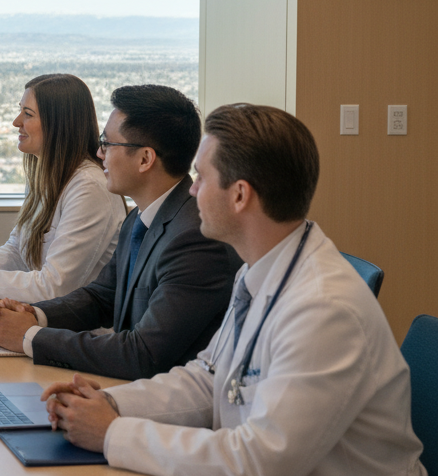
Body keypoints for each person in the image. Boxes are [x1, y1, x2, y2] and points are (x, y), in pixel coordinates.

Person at [43, 104, 426, 476]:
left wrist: (112, 432)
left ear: (240, 195)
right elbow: (209, 380)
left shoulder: (324, 310)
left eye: (202, 178)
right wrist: (109, 402)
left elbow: (261, 461)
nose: (191, 191)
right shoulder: (258, 271)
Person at [0, 85, 242, 380]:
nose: (98, 152)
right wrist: (35, 314)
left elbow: (142, 354)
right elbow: (101, 297)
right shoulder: (140, 219)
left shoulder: (195, 239)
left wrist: (30, 337)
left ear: (145, 159)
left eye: (107, 143)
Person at [0, 73, 125, 301]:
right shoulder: (47, 175)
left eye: (27, 114)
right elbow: (19, 250)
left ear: (58, 123)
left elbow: (55, 286)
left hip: (77, 331)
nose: (16, 122)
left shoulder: (90, 187)